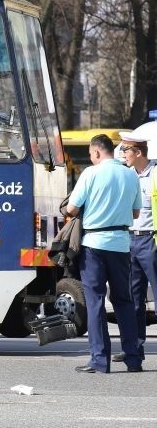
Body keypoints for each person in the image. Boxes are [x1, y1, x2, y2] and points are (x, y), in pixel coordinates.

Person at [66, 134, 142, 373]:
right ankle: (133, 359)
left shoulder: (91, 173)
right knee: (124, 301)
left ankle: (99, 361)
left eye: (90, 154)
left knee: (96, 302)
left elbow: (71, 208)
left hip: (94, 245)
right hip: (120, 244)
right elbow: (137, 213)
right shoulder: (131, 174)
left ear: (97, 152)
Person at [111, 135, 157, 363]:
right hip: (130, 241)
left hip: (152, 241)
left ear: (138, 152)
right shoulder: (127, 176)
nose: (122, 155)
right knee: (134, 299)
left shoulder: (156, 174)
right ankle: (135, 348)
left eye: (125, 150)